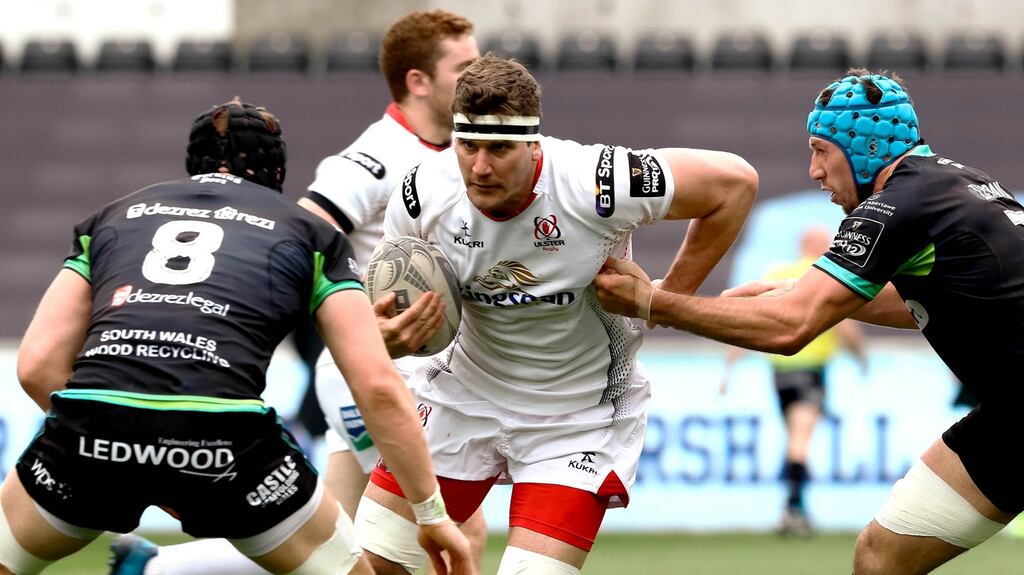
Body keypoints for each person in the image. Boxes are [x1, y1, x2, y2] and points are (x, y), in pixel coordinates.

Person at [2, 98, 473, 575]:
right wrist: (431, 514)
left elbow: (36, 366)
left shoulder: (111, 218)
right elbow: (375, 385)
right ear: (277, 172)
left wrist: (118, 441)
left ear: (192, 165)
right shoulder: (311, 234)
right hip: (223, 443)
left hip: (91, 431)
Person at [595, 68, 1024, 574]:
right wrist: (797, 291)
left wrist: (653, 302)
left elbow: (788, 329)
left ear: (863, 148)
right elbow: (933, 300)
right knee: (880, 557)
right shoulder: (957, 182)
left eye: (821, 150)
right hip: (1010, 419)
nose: (813, 171)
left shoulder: (893, 207)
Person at [108, 10, 487, 575]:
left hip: (409, 372)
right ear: (418, 81)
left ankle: (159, 567)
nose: (478, 77)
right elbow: (290, 240)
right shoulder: (374, 157)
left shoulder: (454, 153)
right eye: (465, 67)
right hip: (370, 371)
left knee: (335, 542)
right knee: (455, 531)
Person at [354, 53, 758, 575]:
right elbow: (388, 296)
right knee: (376, 566)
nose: (480, 166)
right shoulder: (419, 193)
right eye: (467, 145)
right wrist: (389, 335)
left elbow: (734, 184)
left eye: (499, 149)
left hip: (576, 418)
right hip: (460, 396)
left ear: (532, 143)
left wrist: (662, 301)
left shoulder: (599, 182)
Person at [720, 226, 868, 536]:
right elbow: (844, 328)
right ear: (820, 245)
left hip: (779, 371)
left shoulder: (779, 273)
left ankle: (793, 506)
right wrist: (861, 359)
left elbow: (750, 321)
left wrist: (729, 369)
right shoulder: (827, 275)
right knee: (801, 440)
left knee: (793, 439)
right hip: (811, 369)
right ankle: (794, 509)